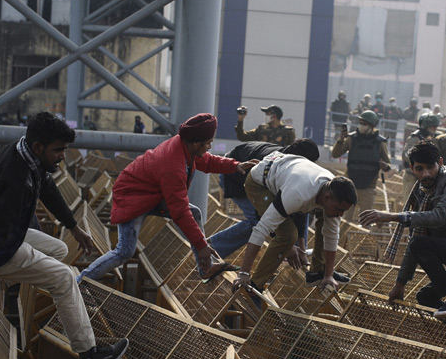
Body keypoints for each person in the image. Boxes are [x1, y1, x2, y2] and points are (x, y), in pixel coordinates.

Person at [0, 112, 127, 359]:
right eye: (58, 150)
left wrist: (73, 227)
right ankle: (88, 355)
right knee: (64, 277)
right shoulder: (16, 180)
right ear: (38, 147)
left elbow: (48, 189)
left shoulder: (25, 155)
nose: (62, 156)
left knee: (60, 250)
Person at [82, 113, 256, 283]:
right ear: (196, 143)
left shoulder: (186, 147)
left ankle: (206, 268)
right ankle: (80, 281)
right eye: (208, 143)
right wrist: (202, 246)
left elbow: (207, 161)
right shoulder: (173, 165)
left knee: (194, 213)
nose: (210, 146)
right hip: (132, 197)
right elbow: (179, 211)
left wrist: (235, 165)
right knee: (124, 251)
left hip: (151, 194)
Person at [360, 141, 446, 319]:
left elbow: (441, 216)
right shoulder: (421, 191)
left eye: (430, 167)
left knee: (420, 244)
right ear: (412, 168)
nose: (426, 173)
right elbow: (417, 234)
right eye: (420, 169)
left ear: (440, 163)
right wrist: (400, 284)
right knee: (425, 297)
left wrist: (394, 216)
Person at [232, 154, 357, 292]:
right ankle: (253, 286)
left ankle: (318, 272)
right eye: (340, 209)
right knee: (287, 235)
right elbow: (261, 229)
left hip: (289, 172)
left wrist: (328, 275)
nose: (341, 215)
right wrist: (243, 273)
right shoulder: (298, 195)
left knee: (328, 219)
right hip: (260, 183)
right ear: (326, 198)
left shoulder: (332, 193)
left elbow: (332, 235)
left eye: (344, 211)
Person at [210, 139, 321, 259]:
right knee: (257, 221)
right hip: (234, 174)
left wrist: (302, 248)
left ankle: (297, 253)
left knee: (297, 209)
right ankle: (212, 249)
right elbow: (264, 214)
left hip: (249, 173)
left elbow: (300, 211)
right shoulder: (275, 164)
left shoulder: (293, 165)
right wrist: (287, 246)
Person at [330, 110, 389, 221]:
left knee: (366, 219)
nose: (361, 126)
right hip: (350, 184)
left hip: (369, 186)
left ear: (372, 125)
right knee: (345, 218)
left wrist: (384, 165)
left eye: (364, 123)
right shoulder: (352, 139)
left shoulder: (380, 142)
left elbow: (388, 163)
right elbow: (335, 154)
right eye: (361, 122)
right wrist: (340, 140)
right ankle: (343, 239)